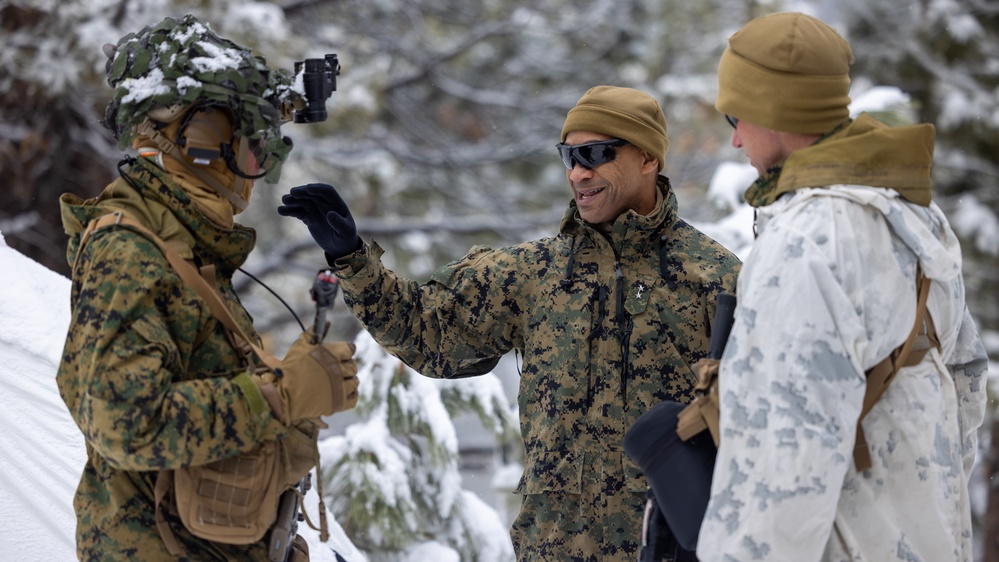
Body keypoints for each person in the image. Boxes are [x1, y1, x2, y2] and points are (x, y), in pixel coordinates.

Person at [277, 85, 741, 561]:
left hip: (670, 549)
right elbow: (427, 333)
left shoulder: (715, 279)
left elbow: (753, 428)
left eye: (596, 153)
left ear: (647, 159)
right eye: (569, 156)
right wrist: (351, 257)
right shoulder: (534, 273)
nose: (579, 172)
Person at [57, 15, 359, 561]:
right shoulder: (130, 252)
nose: (253, 172)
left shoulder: (181, 245)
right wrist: (282, 396)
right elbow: (125, 421)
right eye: (248, 149)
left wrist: (290, 384)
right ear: (200, 141)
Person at [697, 12, 988, 562]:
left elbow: (785, 464)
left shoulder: (806, 244)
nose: (734, 139)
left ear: (774, 111)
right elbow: (965, 387)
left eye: (735, 116)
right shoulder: (913, 216)